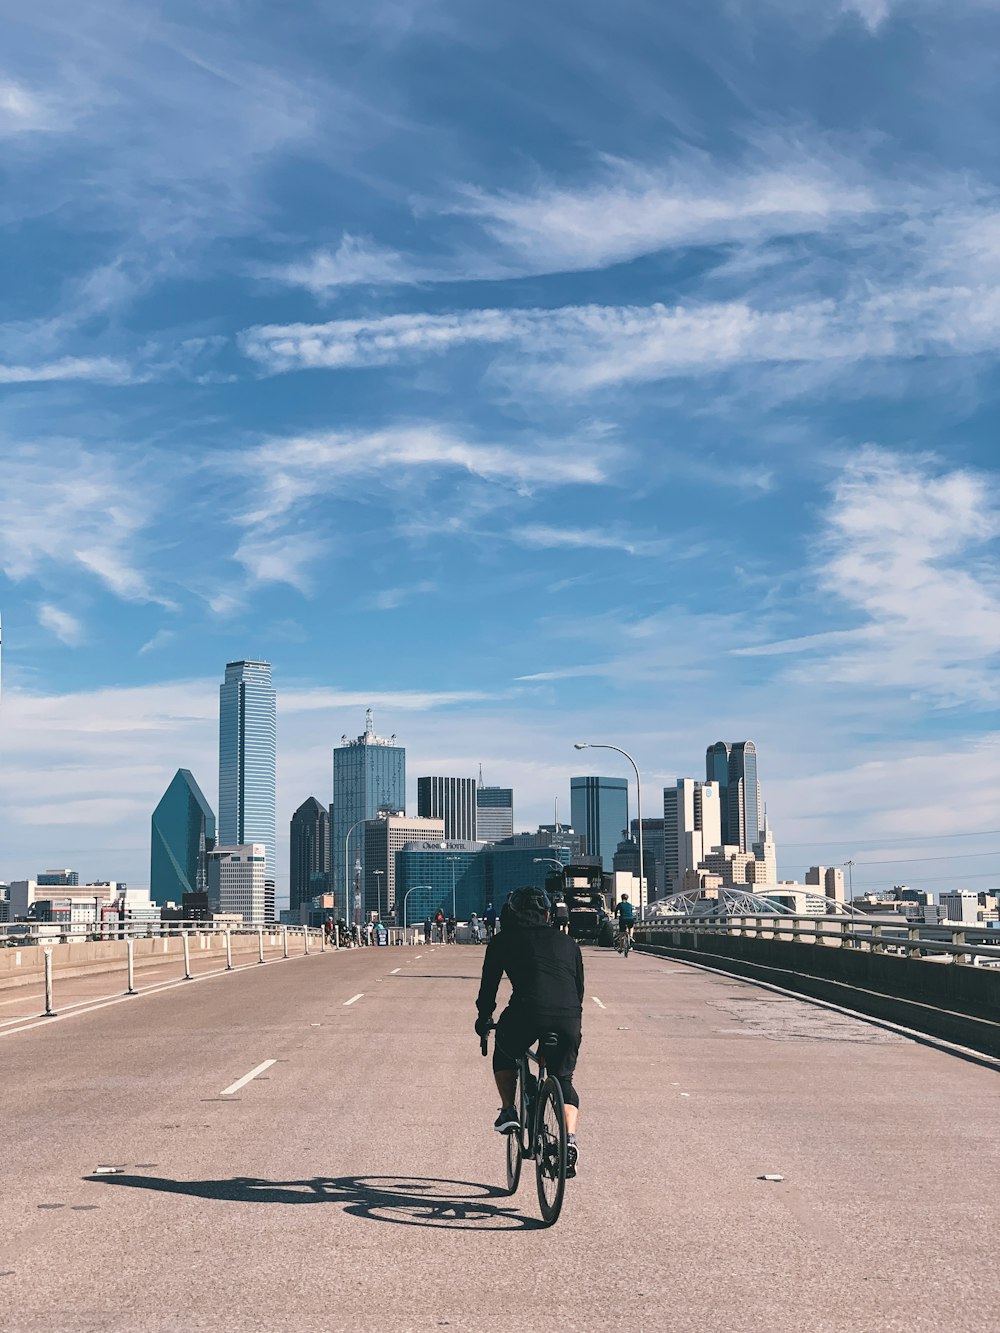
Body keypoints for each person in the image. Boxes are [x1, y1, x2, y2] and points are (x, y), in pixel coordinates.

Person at [475, 887, 583, 1178]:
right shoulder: (569, 943)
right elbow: (579, 990)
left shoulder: (502, 942)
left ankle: (509, 1110)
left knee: (505, 1052)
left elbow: (489, 989)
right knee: (564, 1079)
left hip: (526, 1013)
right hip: (568, 1017)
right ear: (548, 915)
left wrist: (484, 1019)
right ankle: (569, 1139)